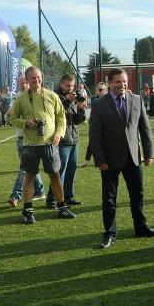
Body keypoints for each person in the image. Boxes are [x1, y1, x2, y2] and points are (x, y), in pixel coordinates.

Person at [89, 67, 154, 249]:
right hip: (109, 160)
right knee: (109, 199)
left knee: (137, 194)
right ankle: (110, 233)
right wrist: (100, 160)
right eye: (118, 81)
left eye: (124, 81)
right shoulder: (99, 104)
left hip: (133, 157)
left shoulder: (136, 99)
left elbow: (145, 128)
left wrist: (149, 153)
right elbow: (95, 135)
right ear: (110, 83)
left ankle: (141, 227)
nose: (122, 84)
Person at [8, 66, 76, 224]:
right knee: (29, 177)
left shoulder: (52, 96)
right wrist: (26, 123)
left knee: (55, 175)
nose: (36, 80)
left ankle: (62, 208)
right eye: (33, 78)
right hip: (30, 145)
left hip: (50, 143)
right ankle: (27, 211)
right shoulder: (21, 99)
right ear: (27, 80)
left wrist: (59, 133)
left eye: (38, 77)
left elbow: (61, 117)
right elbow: (12, 119)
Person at [45, 74, 87, 209]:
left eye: (72, 85)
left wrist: (81, 108)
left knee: (71, 170)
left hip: (74, 139)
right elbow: (54, 115)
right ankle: (52, 199)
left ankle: (68, 197)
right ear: (61, 84)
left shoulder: (74, 97)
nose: (70, 88)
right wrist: (68, 101)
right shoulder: (55, 96)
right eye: (68, 85)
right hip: (62, 140)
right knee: (59, 171)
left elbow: (79, 120)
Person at [6, 75, 45, 207]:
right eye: (21, 83)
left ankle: (15, 195)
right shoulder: (18, 97)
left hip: (32, 137)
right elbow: (10, 115)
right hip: (20, 136)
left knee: (24, 167)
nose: (24, 85)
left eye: (25, 82)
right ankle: (40, 190)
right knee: (28, 166)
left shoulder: (37, 96)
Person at [81, 82, 107, 168]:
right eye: (100, 89)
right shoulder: (94, 99)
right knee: (92, 142)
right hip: (95, 124)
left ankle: (104, 160)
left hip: (106, 125)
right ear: (96, 91)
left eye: (103, 89)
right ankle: (86, 161)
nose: (102, 91)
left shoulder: (108, 99)